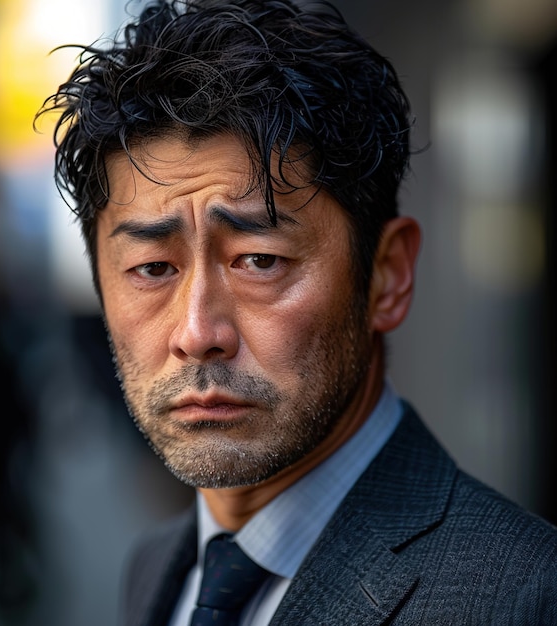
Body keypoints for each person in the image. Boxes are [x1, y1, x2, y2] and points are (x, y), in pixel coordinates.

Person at [37, 0, 557, 623]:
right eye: (152, 268)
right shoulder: (157, 569)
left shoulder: (523, 596)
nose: (198, 333)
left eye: (259, 260)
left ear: (387, 275)